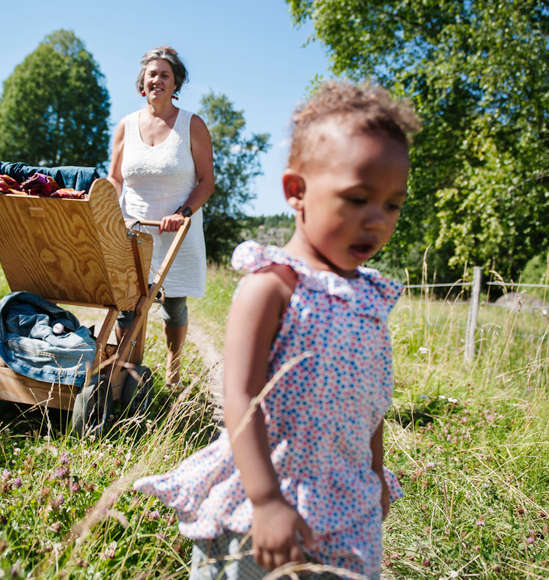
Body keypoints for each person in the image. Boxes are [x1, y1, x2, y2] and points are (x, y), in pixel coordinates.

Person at [133, 81, 421, 579]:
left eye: (393, 205)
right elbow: (240, 395)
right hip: (265, 493)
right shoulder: (271, 287)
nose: (377, 220)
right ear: (297, 192)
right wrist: (266, 501)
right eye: (357, 198)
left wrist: (374, 476)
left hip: (347, 502)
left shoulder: (371, 298)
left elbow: (372, 399)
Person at [106, 46, 214, 385]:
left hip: (175, 230)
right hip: (133, 228)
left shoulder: (192, 125)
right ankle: (123, 369)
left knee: (173, 305)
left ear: (175, 82)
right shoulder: (125, 125)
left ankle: (173, 367)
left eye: (165, 75)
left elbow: (207, 181)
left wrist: (182, 214)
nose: (158, 80)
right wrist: (108, 209)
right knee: (127, 303)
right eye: (152, 74)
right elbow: (115, 178)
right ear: (143, 81)